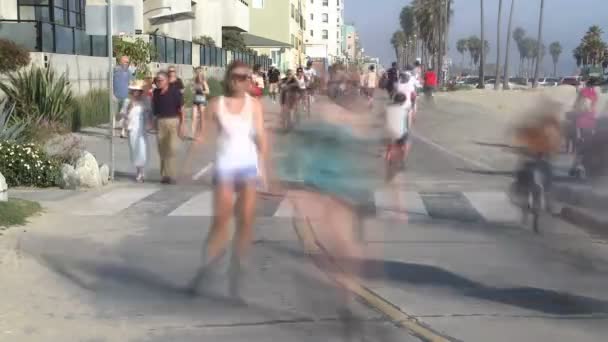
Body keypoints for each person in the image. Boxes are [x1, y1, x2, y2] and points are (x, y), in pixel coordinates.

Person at [189, 61, 268, 300]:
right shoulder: (216, 105)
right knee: (221, 223)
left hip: (247, 168)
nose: (240, 81)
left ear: (249, 81)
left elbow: (261, 137)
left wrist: (266, 171)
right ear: (228, 78)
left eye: (245, 77)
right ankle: (208, 267)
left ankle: (237, 274)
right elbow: (202, 137)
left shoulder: (254, 105)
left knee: (245, 223)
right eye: (235, 76)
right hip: (225, 168)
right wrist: (189, 164)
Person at [152, 71, 185, 184]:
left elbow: (181, 109)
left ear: (166, 81)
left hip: (173, 121)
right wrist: (154, 122)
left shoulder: (174, 92)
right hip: (161, 122)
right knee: (162, 150)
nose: (158, 83)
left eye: (160, 80)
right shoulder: (156, 93)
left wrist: (182, 124)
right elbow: (155, 110)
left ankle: (171, 175)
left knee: (172, 148)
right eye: (157, 81)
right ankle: (164, 175)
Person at [125, 80, 148, 183]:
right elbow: (121, 115)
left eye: (138, 90)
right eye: (134, 90)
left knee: (141, 150)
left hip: (141, 129)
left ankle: (141, 172)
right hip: (132, 129)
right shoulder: (127, 101)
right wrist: (129, 109)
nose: (136, 92)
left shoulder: (144, 102)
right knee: (134, 150)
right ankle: (138, 170)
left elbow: (148, 114)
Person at [113, 55, 135, 139]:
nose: (127, 63)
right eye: (125, 61)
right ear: (121, 61)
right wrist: (111, 93)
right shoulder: (115, 70)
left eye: (127, 62)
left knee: (124, 114)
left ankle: (122, 132)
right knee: (114, 114)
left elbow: (132, 81)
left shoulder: (129, 72)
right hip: (115, 95)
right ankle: (113, 131)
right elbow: (110, 82)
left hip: (126, 96)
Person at [192, 67, 210, 139]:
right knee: (194, 117)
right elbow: (193, 90)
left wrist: (202, 91)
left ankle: (202, 134)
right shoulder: (195, 82)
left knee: (202, 119)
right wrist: (193, 90)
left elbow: (208, 91)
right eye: (197, 74)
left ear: (201, 75)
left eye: (199, 75)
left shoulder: (203, 82)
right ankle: (194, 135)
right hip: (195, 101)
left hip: (202, 101)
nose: (198, 76)